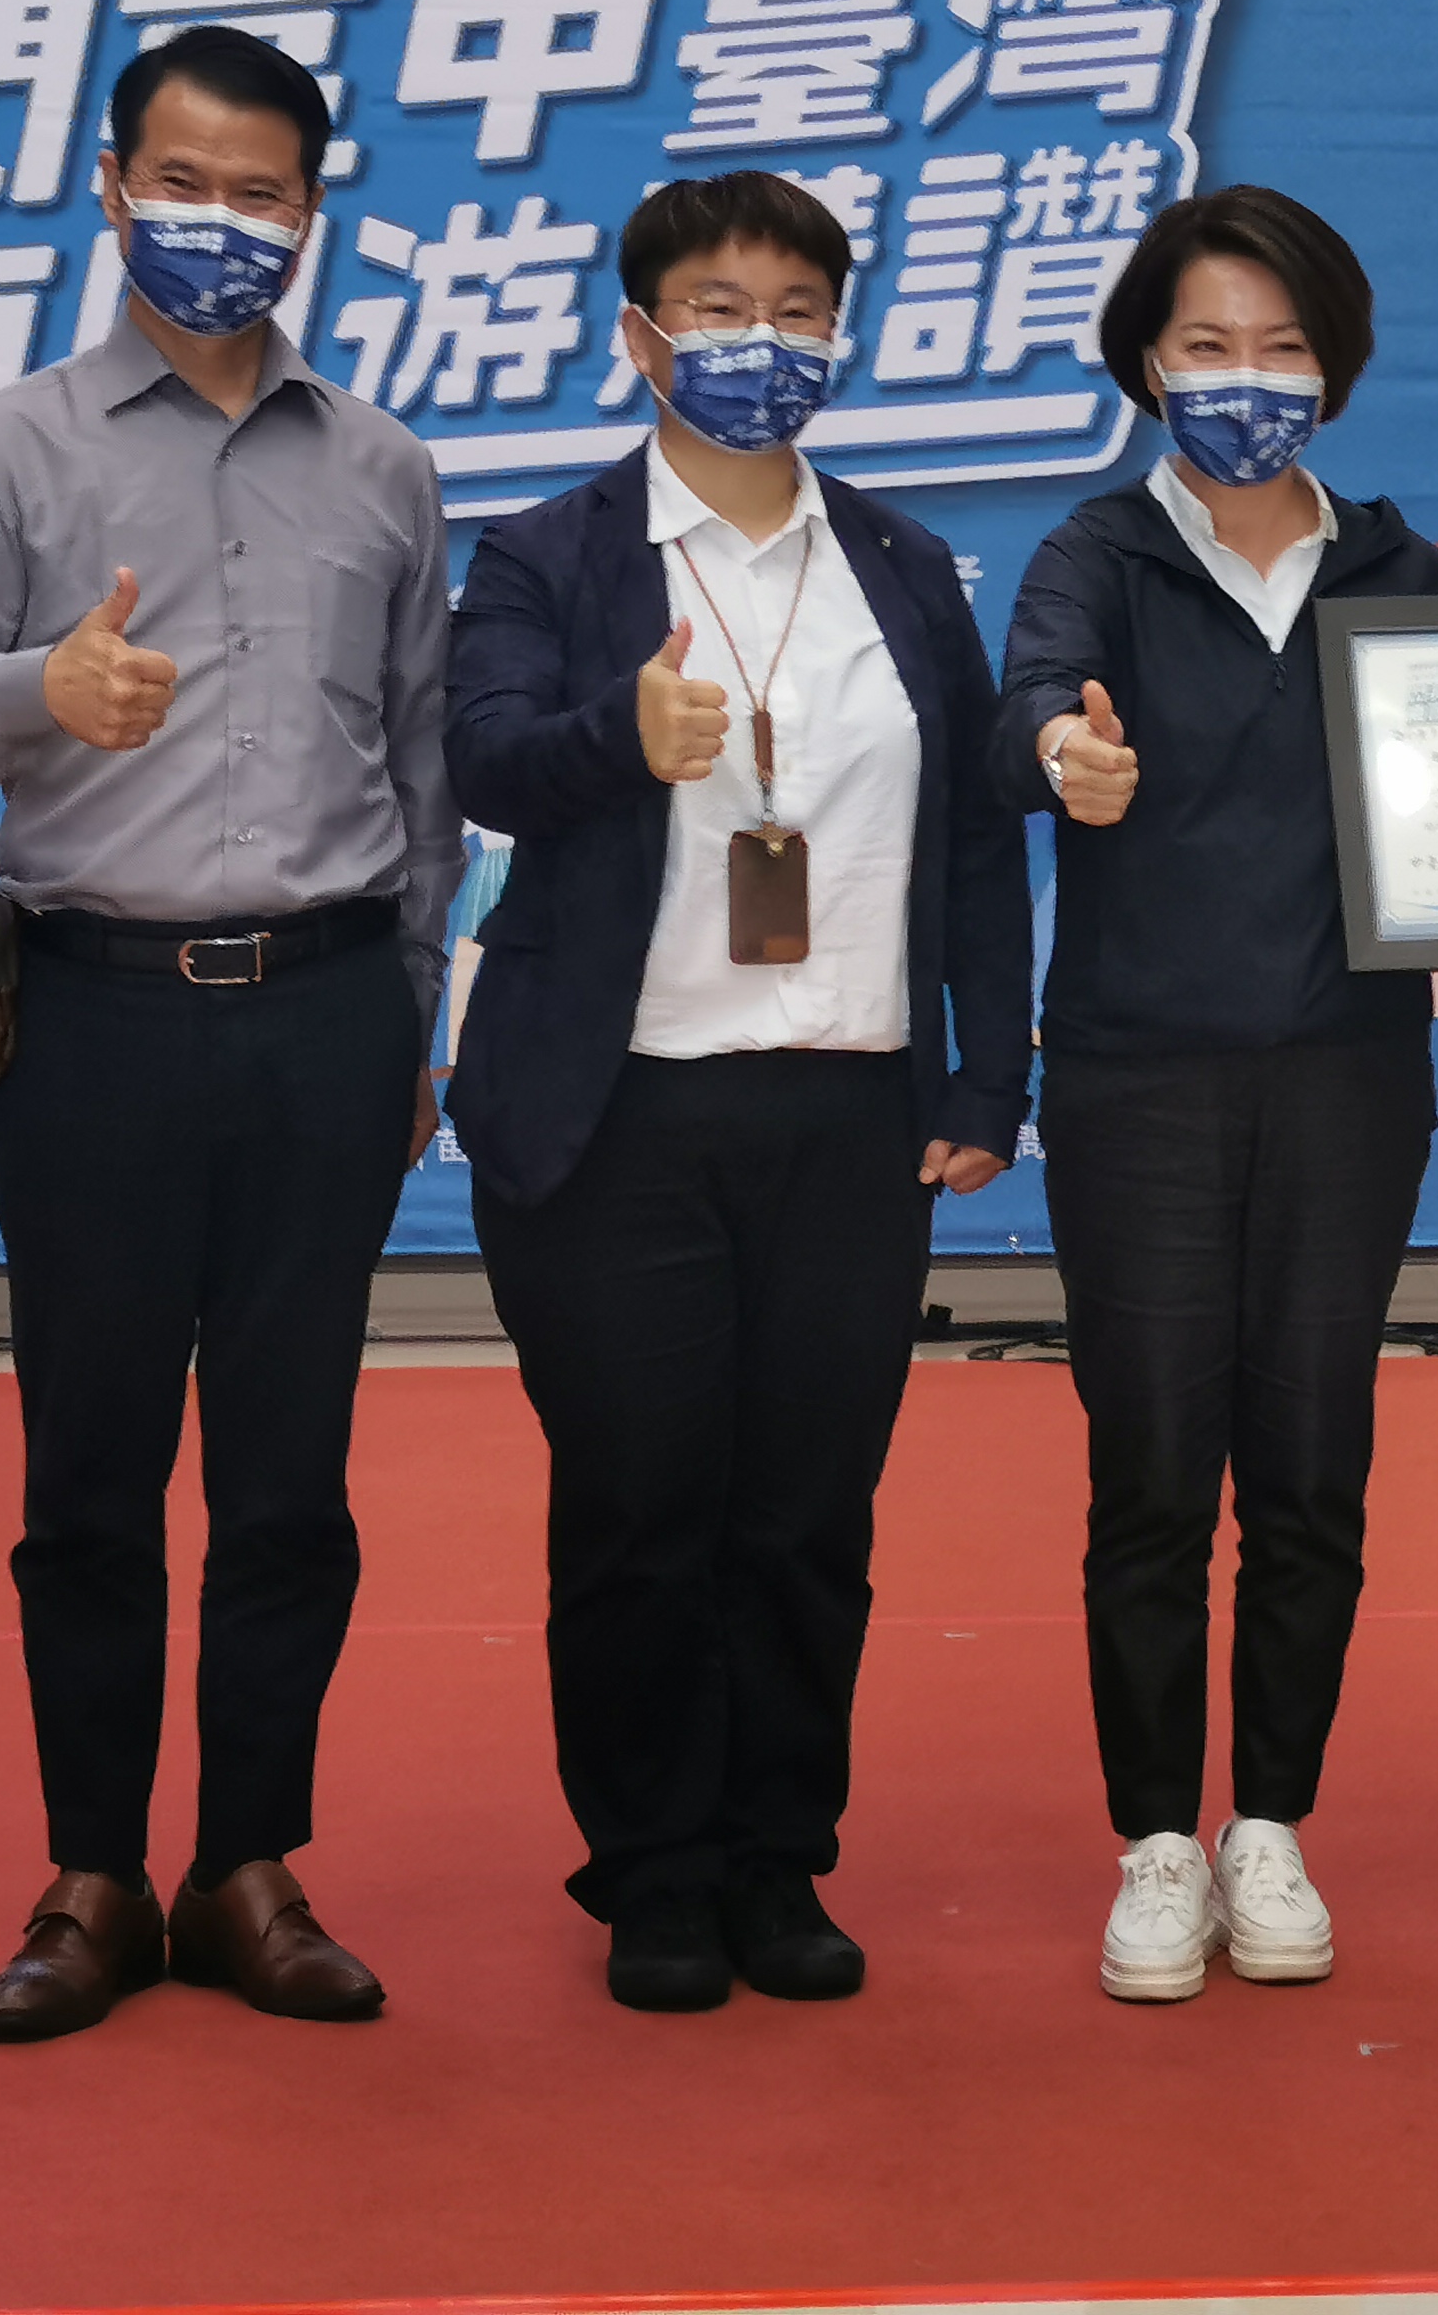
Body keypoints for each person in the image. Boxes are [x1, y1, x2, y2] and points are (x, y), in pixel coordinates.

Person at [0, 25, 458, 2042]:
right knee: (91, 1477)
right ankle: (94, 1875)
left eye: (260, 193)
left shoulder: (384, 466)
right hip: (97, 1019)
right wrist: (41, 691)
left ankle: (251, 1865)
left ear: (312, 211)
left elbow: (424, 768)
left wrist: (412, 1010)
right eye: (182, 184)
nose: (220, 223)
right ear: (110, 186)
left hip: (329, 1015)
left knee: (292, 1482)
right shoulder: (3, 450)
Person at [444, 173, 1031, 2013]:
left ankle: (780, 1857)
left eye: (796, 310)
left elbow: (974, 840)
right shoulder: (551, 557)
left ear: (840, 336)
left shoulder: (905, 564)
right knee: (642, 1509)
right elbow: (481, 761)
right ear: (641, 335)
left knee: (804, 1516)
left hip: (851, 1114)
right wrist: (615, 737)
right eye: (716, 307)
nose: (757, 344)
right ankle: (654, 1871)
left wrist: (988, 1070)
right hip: (619, 1115)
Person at [995, 186, 1438, 2004]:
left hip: (1351, 1077)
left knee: (1315, 1469)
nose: (1245, 380)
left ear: (1335, 368)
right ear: (1147, 362)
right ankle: (1156, 1842)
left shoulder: (1402, 571)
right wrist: (1065, 753)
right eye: (1207, 346)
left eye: (1282, 348)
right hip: (1142, 1084)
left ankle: (1269, 1823)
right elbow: (1031, 698)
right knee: (1152, 1474)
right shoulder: (1099, 552)